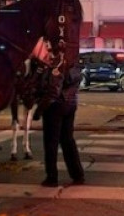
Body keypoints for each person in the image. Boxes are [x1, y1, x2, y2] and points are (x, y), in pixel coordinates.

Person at [40, 58, 85, 188]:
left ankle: (52, 177)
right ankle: (77, 174)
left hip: (55, 106)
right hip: (70, 104)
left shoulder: (55, 64)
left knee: (51, 142)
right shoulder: (73, 64)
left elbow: (52, 89)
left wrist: (41, 108)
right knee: (67, 140)